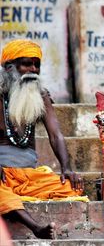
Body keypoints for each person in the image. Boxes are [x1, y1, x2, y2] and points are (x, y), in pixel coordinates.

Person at [0, 39, 87, 239]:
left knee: (69, 187)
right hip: (2, 174)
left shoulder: (41, 95)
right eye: (27, 63)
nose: (33, 69)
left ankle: (15, 200)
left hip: (30, 175)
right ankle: (35, 227)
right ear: (9, 68)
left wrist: (66, 168)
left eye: (36, 64)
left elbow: (55, 134)